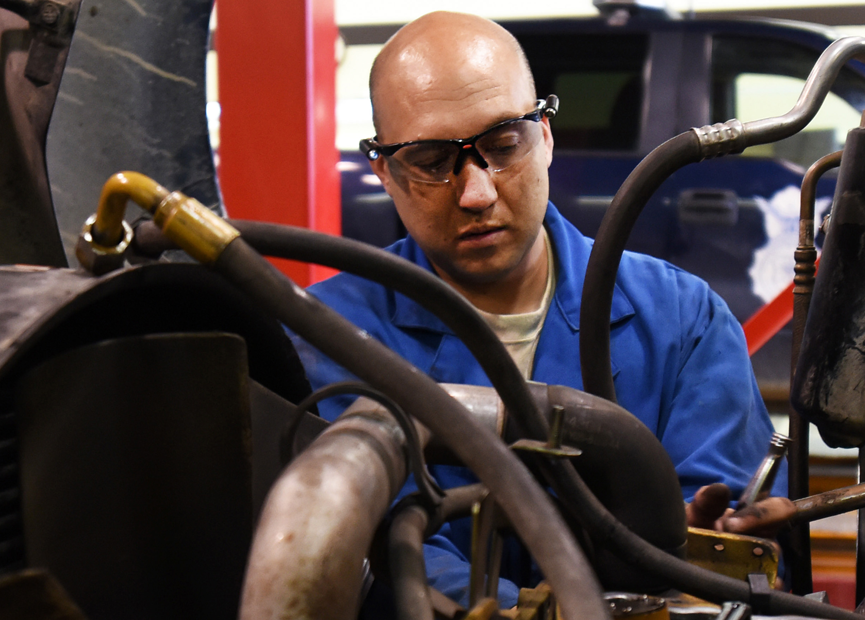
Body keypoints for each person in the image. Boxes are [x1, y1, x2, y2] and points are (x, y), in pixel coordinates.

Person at [291, 11, 790, 609]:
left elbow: (723, 536)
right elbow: (382, 547)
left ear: (545, 137)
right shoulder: (332, 338)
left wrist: (699, 542)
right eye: (430, 162)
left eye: (504, 146)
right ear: (385, 172)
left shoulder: (684, 322)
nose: (477, 193)